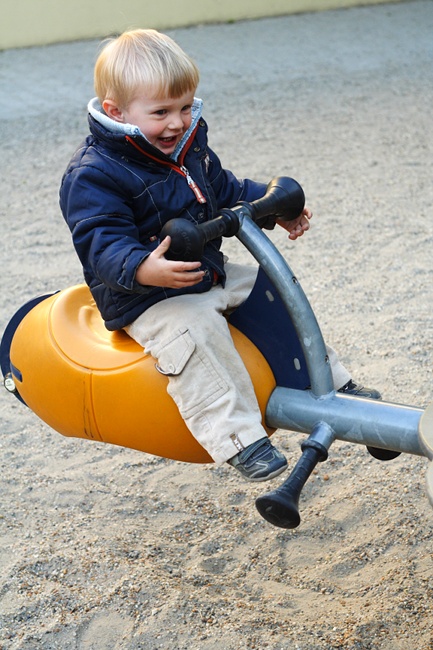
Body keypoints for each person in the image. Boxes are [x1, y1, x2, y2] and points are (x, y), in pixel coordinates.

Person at [59, 29, 379, 483]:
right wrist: (144, 268)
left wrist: (272, 207)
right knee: (194, 331)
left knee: (274, 291)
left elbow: (223, 189)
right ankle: (237, 437)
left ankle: (329, 383)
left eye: (185, 107)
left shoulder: (185, 144)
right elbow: (100, 242)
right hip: (146, 296)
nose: (177, 122)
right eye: (161, 112)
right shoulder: (94, 174)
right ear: (117, 112)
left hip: (206, 270)